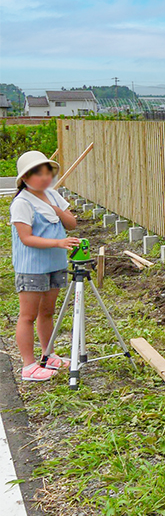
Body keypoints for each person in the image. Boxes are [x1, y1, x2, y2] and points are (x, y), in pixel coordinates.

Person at [11, 151, 78, 382]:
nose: (45, 177)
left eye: (47, 172)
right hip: (32, 267)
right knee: (28, 315)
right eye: (38, 173)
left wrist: (57, 209)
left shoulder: (53, 195)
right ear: (25, 178)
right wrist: (58, 242)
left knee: (47, 313)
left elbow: (71, 224)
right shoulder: (21, 202)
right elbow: (26, 238)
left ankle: (47, 355)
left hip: (55, 263)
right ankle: (28, 365)